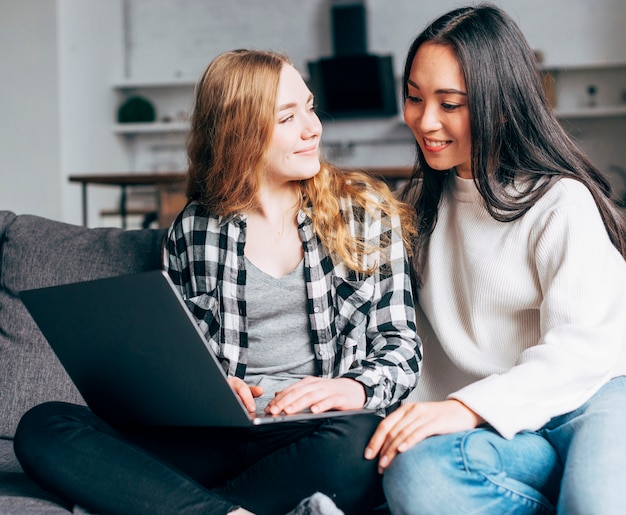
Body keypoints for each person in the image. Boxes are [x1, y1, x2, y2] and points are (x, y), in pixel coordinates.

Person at [13, 49, 421, 515]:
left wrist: (357, 389)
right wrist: (207, 388)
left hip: (316, 432)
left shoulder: (366, 213)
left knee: (362, 445)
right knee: (44, 426)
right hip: (217, 435)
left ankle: (163, 501)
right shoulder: (195, 229)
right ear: (240, 133)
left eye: (309, 106)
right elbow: (183, 355)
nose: (313, 128)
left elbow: (402, 344)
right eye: (288, 117)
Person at [364, 4, 626, 514]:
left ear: (501, 105)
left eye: (451, 103)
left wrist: (467, 406)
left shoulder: (559, 200)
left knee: (597, 503)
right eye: (415, 98)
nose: (425, 120)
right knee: (418, 475)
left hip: (589, 399)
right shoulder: (417, 203)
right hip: (503, 433)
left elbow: (589, 349)